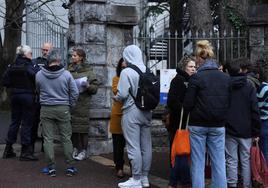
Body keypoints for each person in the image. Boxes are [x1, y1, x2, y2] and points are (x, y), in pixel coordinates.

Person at [183, 40, 231, 188]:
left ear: (198, 58)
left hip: (198, 124)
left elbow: (187, 104)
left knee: (198, 162)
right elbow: (229, 102)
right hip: (218, 124)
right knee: (219, 162)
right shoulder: (225, 78)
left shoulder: (196, 78)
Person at [36, 49, 79, 177]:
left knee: (48, 139)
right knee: (66, 138)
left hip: (46, 108)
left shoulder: (39, 75)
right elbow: (75, 92)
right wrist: (70, 104)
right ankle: (70, 167)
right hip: (63, 108)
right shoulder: (66, 74)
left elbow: (38, 90)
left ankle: (51, 168)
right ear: (59, 60)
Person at [115, 45, 152, 188]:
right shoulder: (147, 70)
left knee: (133, 146)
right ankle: (144, 178)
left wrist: (116, 97)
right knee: (146, 146)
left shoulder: (127, 72)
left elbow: (123, 94)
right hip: (147, 111)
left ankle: (136, 179)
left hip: (131, 110)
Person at [225, 58, 260, 188]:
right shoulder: (249, 86)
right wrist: (256, 130)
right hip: (246, 129)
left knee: (231, 160)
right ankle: (247, 185)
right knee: (246, 160)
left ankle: (232, 184)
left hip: (229, 128)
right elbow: (254, 110)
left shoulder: (226, 85)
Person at [2, 45, 39, 161]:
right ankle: (25, 152)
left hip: (14, 96)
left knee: (14, 122)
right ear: (25, 54)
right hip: (28, 96)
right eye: (31, 53)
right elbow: (38, 77)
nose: (32, 56)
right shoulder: (29, 66)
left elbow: (5, 81)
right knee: (27, 124)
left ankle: (8, 149)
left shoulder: (12, 66)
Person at [167, 55, 196, 188]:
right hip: (178, 123)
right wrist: (185, 109)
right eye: (190, 66)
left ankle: (179, 180)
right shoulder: (178, 80)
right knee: (178, 152)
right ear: (184, 67)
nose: (193, 69)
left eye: (195, 66)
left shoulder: (191, 80)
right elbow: (172, 101)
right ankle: (178, 181)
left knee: (183, 152)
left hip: (186, 122)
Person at [68, 48, 99, 161]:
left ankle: (84, 151)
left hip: (83, 104)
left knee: (83, 129)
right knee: (73, 129)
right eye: (72, 55)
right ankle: (75, 148)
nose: (73, 57)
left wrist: (88, 86)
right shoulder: (69, 69)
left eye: (75, 55)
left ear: (81, 57)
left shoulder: (89, 71)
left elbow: (95, 88)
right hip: (71, 103)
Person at [31, 42, 53, 153]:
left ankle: (46, 146)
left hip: (48, 96)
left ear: (51, 50)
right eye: (43, 49)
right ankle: (30, 147)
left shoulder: (54, 63)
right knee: (34, 121)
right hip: (36, 96)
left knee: (46, 123)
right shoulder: (35, 61)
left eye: (47, 50)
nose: (44, 52)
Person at [110, 58, 127, 178]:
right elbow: (117, 92)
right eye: (122, 68)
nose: (124, 70)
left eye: (126, 67)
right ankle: (119, 167)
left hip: (130, 114)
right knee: (118, 145)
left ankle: (133, 167)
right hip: (118, 115)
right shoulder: (116, 79)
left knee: (132, 145)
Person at [257, 59, 268, 166]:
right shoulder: (266, 86)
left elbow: (258, 107)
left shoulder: (262, 88)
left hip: (263, 121)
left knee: (264, 152)